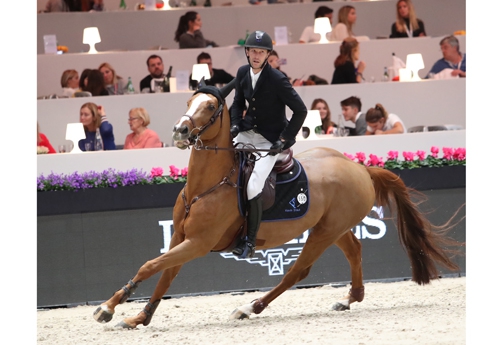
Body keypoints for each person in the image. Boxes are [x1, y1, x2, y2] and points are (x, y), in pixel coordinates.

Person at [230, 30, 308, 259]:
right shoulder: (243, 72)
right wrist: (235, 125)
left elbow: (300, 110)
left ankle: (250, 241)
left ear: (267, 55)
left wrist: (284, 139)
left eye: (261, 52)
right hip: (246, 133)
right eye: (253, 51)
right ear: (247, 52)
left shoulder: (277, 79)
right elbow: (236, 104)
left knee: (254, 186)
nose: (256, 55)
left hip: (269, 139)